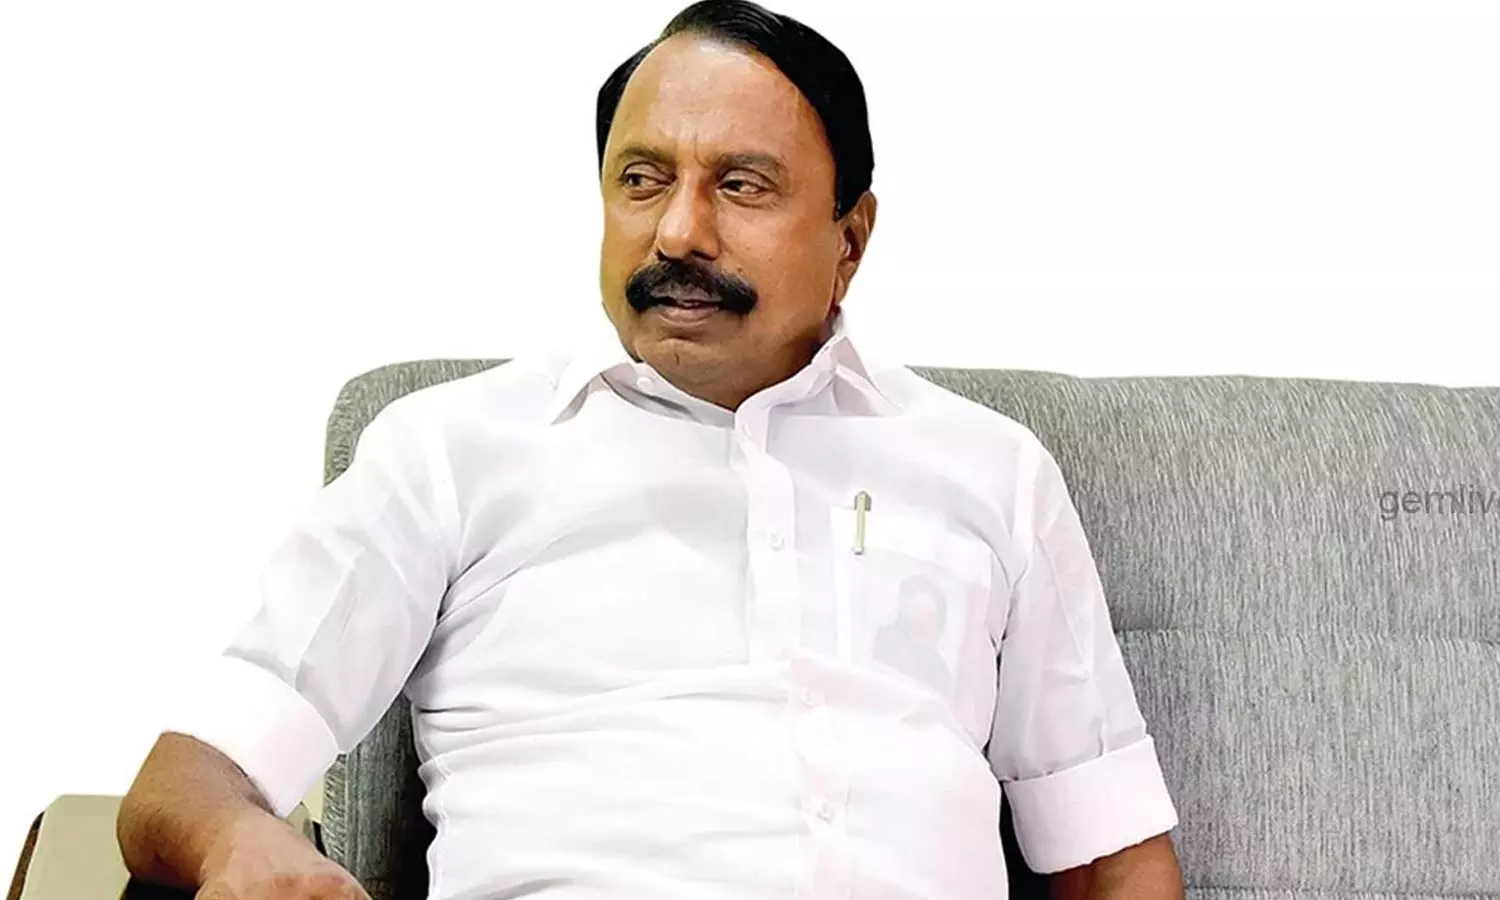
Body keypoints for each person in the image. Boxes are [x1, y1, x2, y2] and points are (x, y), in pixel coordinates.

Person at [116, 2, 1185, 897]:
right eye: (641, 180)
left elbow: (1110, 861)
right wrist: (236, 842)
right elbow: (187, 780)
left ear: (851, 240)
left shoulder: (991, 470)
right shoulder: (449, 452)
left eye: (741, 185)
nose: (678, 233)